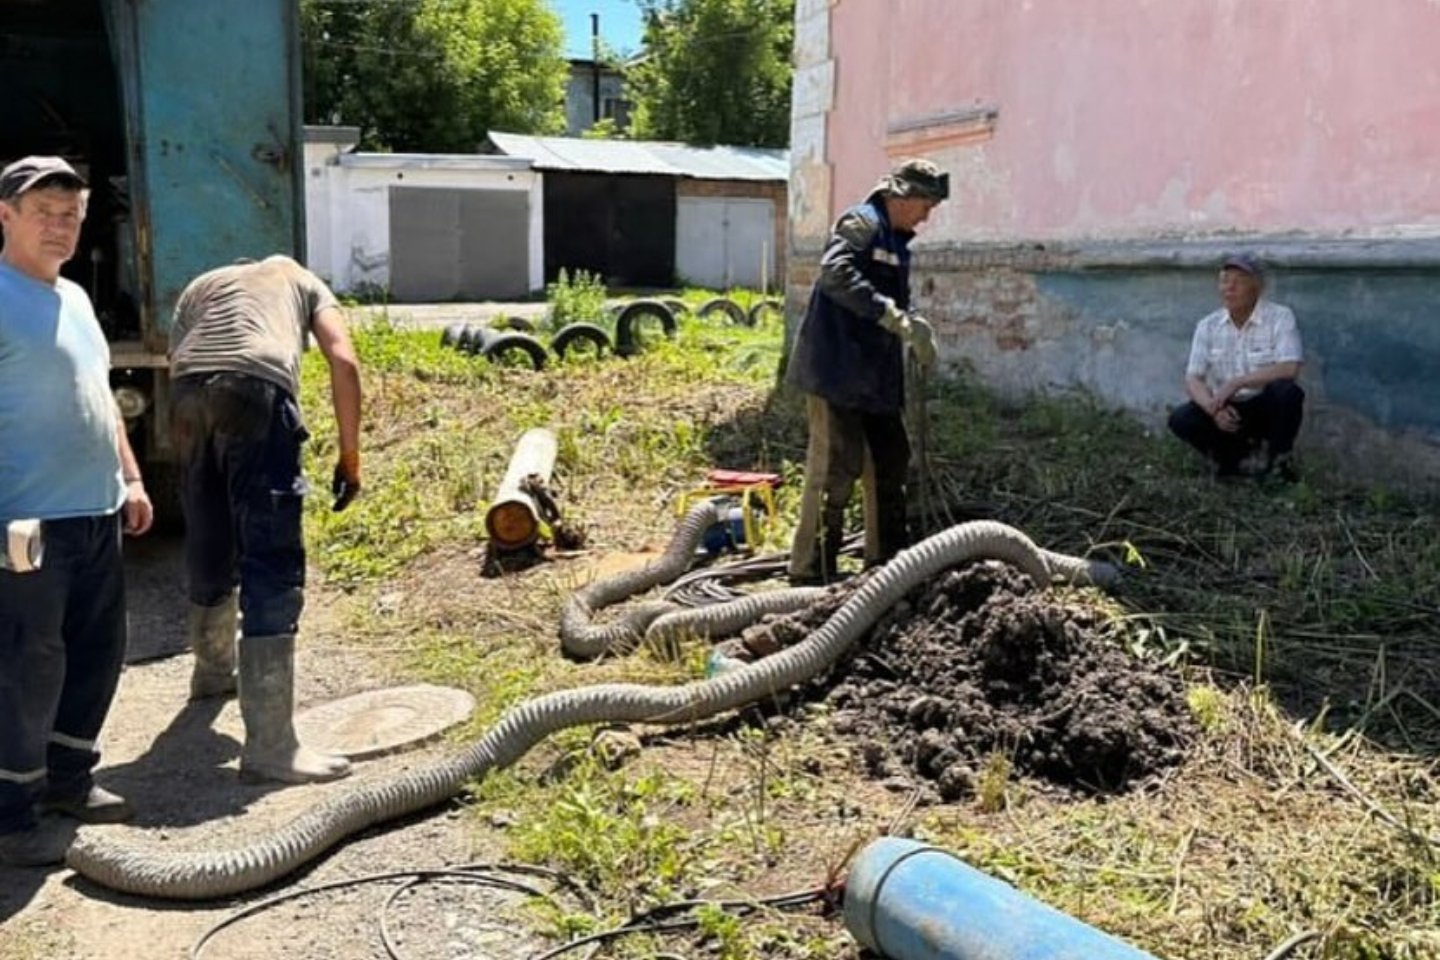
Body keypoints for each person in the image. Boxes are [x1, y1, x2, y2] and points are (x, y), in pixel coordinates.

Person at [0, 156, 155, 867]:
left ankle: (69, 783)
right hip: (25, 521)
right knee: (27, 665)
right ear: (6, 216)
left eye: (70, 215)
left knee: (98, 652)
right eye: (43, 214)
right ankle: (11, 815)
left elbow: (100, 399)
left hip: (94, 512)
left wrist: (129, 480)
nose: (58, 227)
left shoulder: (77, 300)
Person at [169, 254, 362, 784]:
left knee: (208, 537)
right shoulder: (299, 277)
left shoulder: (201, 281)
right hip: (255, 392)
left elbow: (179, 357)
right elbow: (342, 360)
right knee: (270, 555)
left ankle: (211, 675)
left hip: (185, 396)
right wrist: (350, 458)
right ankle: (272, 745)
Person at [785, 158, 948, 585]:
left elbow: (898, 299)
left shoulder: (898, 243)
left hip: (875, 376)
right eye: (925, 204)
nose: (927, 215)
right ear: (900, 195)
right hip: (835, 368)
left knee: (892, 460)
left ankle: (885, 567)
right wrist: (890, 315)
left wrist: (916, 326)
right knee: (836, 469)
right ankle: (811, 573)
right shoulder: (862, 223)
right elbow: (835, 273)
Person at [1168, 253, 1305, 481]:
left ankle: (1279, 468)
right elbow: (1193, 378)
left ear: (1258, 286)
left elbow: (1290, 367)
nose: (1229, 287)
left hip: (1263, 407)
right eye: (1224, 280)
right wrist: (1213, 408)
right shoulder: (1208, 325)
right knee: (1181, 418)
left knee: (1287, 392)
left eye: (1239, 280)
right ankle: (1230, 466)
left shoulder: (1280, 317)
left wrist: (1237, 382)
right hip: (1227, 410)